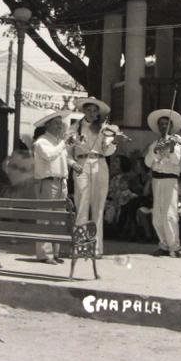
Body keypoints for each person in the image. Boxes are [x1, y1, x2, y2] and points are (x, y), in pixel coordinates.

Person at [69, 97, 116, 257]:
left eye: (94, 111)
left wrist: (112, 141)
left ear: (98, 113)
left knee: (98, 207)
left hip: (100, 164)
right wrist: (72, 163)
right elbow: (67, 152)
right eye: (88, 109)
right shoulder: (74, 128)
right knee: (82, 204)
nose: (91, 113)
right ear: (83, 111)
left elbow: (108, 151)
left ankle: (96, 248)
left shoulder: (103, 129)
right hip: (81, 164)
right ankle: (80, 246)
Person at [32, 110, 72, 264]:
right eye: (56, 123)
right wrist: (64, 143)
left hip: (61, 182)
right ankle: (44, 254)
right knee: (45, 218)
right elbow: (49, 156)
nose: (60, 127)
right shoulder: (41, 142)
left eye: (60, 124)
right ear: (47, 125)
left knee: (59, 219)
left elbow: (62, 161)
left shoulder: (57, 142)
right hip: (47, 182)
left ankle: (55, 252)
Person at [144, 109, 181, 258]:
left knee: (170, 214)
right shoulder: (155, 143)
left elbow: (176, 160)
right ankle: (163, 244)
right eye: (161, 124)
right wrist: (155, 151)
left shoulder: (176, 140)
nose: (163, 127)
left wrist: (171, 148)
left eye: (167, 124)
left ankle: (174, 246)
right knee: (157, 215)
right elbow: (148, 163)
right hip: (157, 179)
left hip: (170, 179)